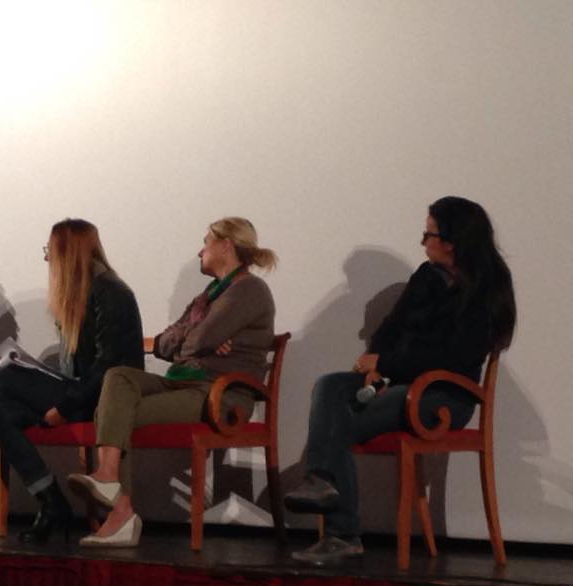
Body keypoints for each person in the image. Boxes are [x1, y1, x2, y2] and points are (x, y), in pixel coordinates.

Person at [284, 196, 517, 565]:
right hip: (400, 383)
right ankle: (321, 482)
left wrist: (386, 362)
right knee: (330, 385)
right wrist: (376, 365)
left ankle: (340, 528)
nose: (422, 242)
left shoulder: (487, 288)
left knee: (338, 421)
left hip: (445, 396)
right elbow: (389, 329)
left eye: (429, 234)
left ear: (452, 240)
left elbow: (453, 357)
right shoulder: (427, 276)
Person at [0, 218, 143, 543]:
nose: (47, 258)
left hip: (105, 402)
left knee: (8, 376)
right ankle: (51, 501)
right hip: (85, 392)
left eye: (50, 250)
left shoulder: (110, 293)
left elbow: (108, 369)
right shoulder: (82, 293)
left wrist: (63, 406)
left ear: (68, 253)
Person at [66, 217, 277, 547]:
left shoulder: (249, 290)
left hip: (221, 393)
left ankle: (120, 514)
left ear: (226, 246)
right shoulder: (207, 298)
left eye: (206, 243)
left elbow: (196, 340)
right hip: (187, 383)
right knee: (118, 377)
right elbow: (165, 342)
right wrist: (198, 339)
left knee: (116, 415)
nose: (200, 252)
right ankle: (109, 479)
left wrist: (196, 339)